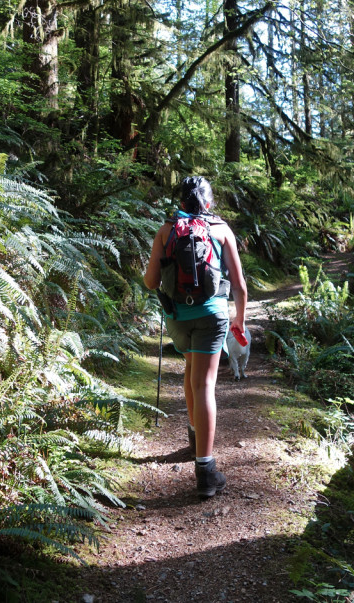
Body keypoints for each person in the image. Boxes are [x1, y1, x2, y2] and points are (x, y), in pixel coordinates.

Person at [143, 176, 247, 499]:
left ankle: (193, 433)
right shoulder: (221, 231)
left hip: (177, 319)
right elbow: (240, 287)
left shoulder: (166, 231)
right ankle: (206, 471)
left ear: (182, 203)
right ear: (209, 203)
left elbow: (150, 282)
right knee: (205, 385)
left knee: (192, 372)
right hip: (211, 316)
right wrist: (239, 322)